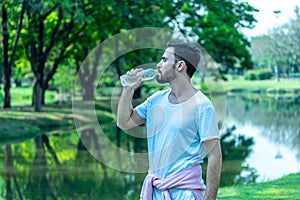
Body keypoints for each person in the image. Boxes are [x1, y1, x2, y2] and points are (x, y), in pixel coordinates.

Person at [117, 41, 222, 200]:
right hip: (155, 192)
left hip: (185, 193)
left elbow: (215, 156)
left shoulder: (202, 106)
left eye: (164, 60)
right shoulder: (155, 100)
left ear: (180, 66)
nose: (158, 65)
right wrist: (128, 89)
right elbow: (124, 122)